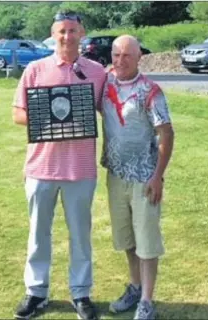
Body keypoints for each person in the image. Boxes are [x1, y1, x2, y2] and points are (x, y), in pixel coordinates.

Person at [12, 11, 106, 320]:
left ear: (82, 33)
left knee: (80, 235)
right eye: (62, 31)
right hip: (41, 168)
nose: (67, 36)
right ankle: (36, 292)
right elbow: (18, 114)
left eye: (73, 30)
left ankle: (81, 293)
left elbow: (112, 110)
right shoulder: (35, 69)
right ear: (54, 35)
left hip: (80, 170)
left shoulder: (96, 72)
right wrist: (51, 119)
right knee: (39, 235)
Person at [101, 35, 174, 320]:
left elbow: (166, 133)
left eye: (127, 56)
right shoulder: (105, 84)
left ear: (139, 57)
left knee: (146, 240)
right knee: (127, 239)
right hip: (116, 175)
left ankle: (146, 300)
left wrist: (158, 176)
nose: (120, 61)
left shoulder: (150, 91)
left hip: (145, 178)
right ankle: (134, 286)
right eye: (116, 55)